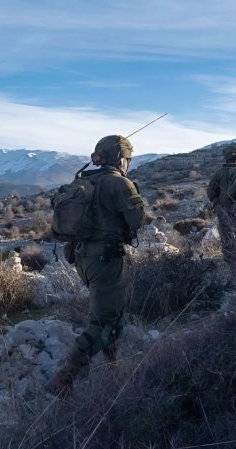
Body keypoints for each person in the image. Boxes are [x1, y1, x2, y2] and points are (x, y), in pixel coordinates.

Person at [49, 135, 145, 395]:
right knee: (103, 321)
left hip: (82, 257)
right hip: (105, 258)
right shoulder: (119, 183)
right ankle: (65, 376)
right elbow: (138, 221)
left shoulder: (83, 181)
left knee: (111, 313)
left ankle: (112, 369)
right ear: (121, 158)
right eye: (127, 159)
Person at [207, 144, 236, 261]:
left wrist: (216, 202)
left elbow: (211, 191)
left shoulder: (220, 173)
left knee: (226, 233)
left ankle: (229, 258)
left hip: (223, 210)